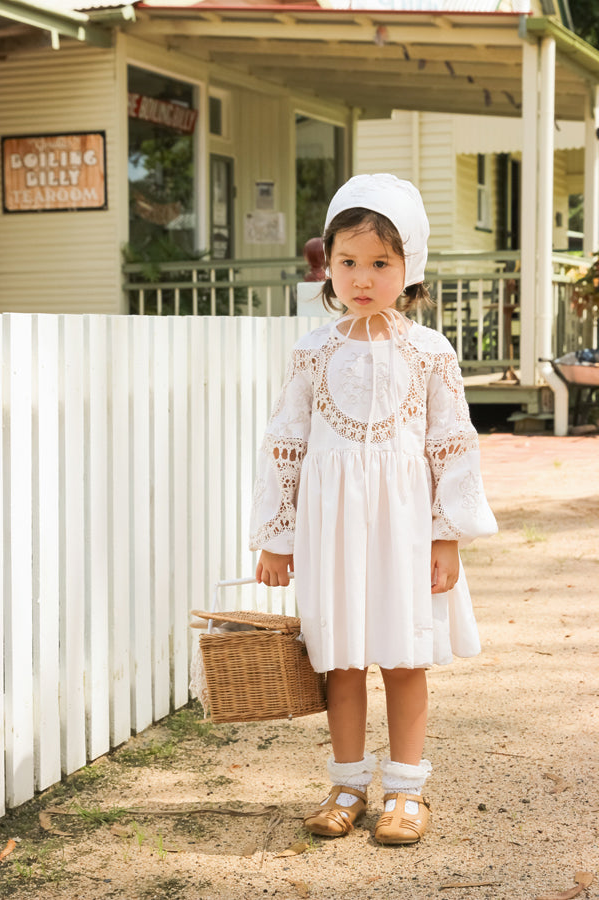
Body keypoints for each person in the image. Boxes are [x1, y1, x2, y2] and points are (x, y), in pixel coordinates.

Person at [249, 174, 497, 845]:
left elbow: (451, 446)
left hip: (405, 529)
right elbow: (286, 443)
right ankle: (347, 783)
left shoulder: (428, 353)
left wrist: (447, 537)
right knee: (343, 659)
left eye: (380, 263)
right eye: (348, 262)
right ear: (329, 263)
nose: (362, 278)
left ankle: (407, 790)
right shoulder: (313, 351)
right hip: (333, 531)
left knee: (404, 657)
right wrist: (277, 536)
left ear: (409, 266)